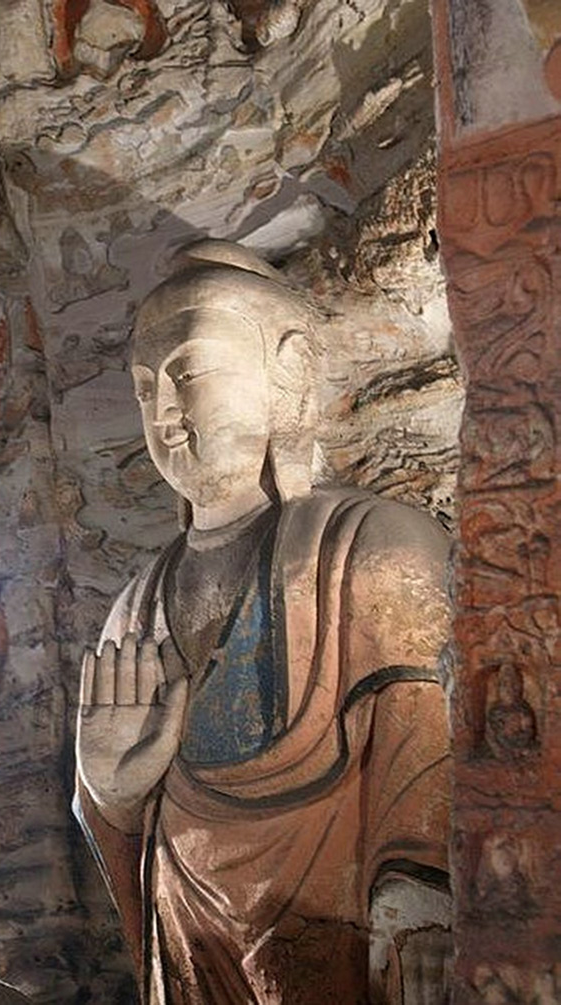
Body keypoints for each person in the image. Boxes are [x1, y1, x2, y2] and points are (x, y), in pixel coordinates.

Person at [74, 240, 452, 1004]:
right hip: (189, 948)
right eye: (146, 390)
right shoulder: (137, 606)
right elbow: (129, 836)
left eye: (191, 372)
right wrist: (109, 793)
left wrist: (420, 899)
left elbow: (427, 750)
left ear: (292, 372)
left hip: (344, 942)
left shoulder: (371, 549)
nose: (167, 415)